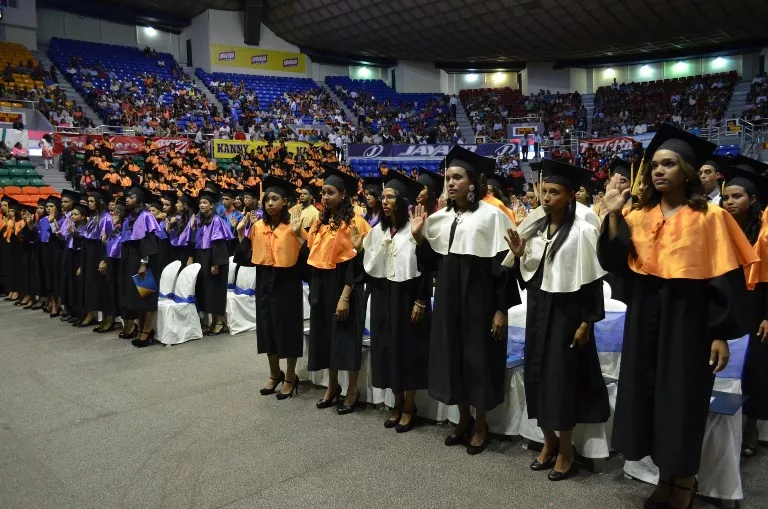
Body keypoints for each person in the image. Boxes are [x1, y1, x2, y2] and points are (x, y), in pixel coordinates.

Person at [597, 124, 757, 509]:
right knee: (649, 397)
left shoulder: (710, 217)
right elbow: (614, 262)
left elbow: (723, 279)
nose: (659, 170)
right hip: (645, 321)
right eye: (654, 164)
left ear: (686, 171)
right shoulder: (639, 215)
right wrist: (614, 215)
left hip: (690, 323)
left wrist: (719, 334)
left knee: (683, 400)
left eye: (668, 164)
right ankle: (664, 478)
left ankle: (683, 481)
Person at [504, 159, 610, 480]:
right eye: (544, 191)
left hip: (567, 316)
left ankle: (566, 449)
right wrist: (520, 255)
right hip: (539, 311)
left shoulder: (583, 232)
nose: (546, 197)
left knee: (561, 382)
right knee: (536, 376)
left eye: (554, 192)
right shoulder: (536, 230)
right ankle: (548, 442)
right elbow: (532, 278)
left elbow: (591, 283)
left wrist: (586, 323)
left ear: (570, 195)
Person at [410, 145, 520, 454]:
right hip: (449, 300)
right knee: (453, 356)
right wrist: (419, 238)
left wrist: (501, 310)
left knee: (478, 359)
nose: (450, 183)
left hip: (480, 302)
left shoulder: (492, 216)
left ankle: (481, 424)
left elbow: (504, 268)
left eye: (458, 177)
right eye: (448, 178)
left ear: (473, 182)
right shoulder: (441, 218)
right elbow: (431, 264)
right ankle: (463, 419)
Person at [361, 170, 431, 432]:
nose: (385, 201)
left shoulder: (414, 229)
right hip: (383, 295)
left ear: (402, 201)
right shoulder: (378, 231)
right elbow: (371, 266)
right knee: (387, 349)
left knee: (407, 349)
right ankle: (396, 401)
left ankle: (410, 406)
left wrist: (421, 300)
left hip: (407, 296)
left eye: (390, 197)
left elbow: (426, 268)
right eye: (383, 197)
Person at [306, 166, 371, 414]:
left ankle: (352, 390)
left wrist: (345, 296)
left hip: (346, 286)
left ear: (343, 194)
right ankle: (332, 387)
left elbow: (356, 263)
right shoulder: (321, 222)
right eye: (323, 192)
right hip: (322, 285)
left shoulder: (355, 223)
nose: (325, 197)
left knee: (347, 337)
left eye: (330, 192)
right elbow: (312, 255)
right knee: (327, 336)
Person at [717, 156, 768, 457]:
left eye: (737, 196)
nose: (730, 202)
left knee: (754, 368)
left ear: (753, 199)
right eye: (726, 197)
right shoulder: (718, 228)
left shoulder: (763, 233)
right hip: (725, 303)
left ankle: (751, 428)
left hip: (755, 305)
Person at [244, 177, 307, 400]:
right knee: (266, 327)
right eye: (267, 199)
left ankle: (290, 376)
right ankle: (274, 373)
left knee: (288, 328)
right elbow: (246, 255)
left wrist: (298, 234)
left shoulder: (293, 226)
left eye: (275, 199)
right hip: (264, 280)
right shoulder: (258, 226)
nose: (270, 203)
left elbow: (307, 257)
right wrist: (241, 231)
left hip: (287, 282)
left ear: (285, 201)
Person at [120, 185, 164, 348]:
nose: (127, 200)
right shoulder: (131, 217)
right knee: (138, 298)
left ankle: (147, 331)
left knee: (146, 297)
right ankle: (140, 329)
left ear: (138, 199)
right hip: (133, 259)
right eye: (127, 197)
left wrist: (143, 264)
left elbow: (148, 243)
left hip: (145, 261)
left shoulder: (145, 216)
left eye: (131, 197)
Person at [194, 188, 234, 336]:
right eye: (200, 203)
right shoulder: (202, 221)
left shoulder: (216, 220)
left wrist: (215, 264)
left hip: (216, 259)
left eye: (205, 203)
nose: (201, 205)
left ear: (212, 205)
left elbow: (219, 245)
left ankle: (219, 322)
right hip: (204, 257)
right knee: (209, 291)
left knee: (216, 291)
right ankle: (213, 321)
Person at [79, 189, 113, 328]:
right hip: (89, 255)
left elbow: (109, 241)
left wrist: (104, 260)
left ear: (99, 202)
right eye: (89, 201)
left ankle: (108, 319)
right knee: (91, 287)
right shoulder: (93, 217)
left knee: (102, 288)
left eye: (92, 201)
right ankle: (93, 315)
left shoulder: (106, 218)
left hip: (99, 255)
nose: (90, 204)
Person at [167, 192, 196, 266]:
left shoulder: (192, 219)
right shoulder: (182, 218)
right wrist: (169, 229)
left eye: (178, 203)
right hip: (182, 252)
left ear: (185, 205)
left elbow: (192, 239)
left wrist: (191, 256)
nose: (176, 205)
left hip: (189, 254)